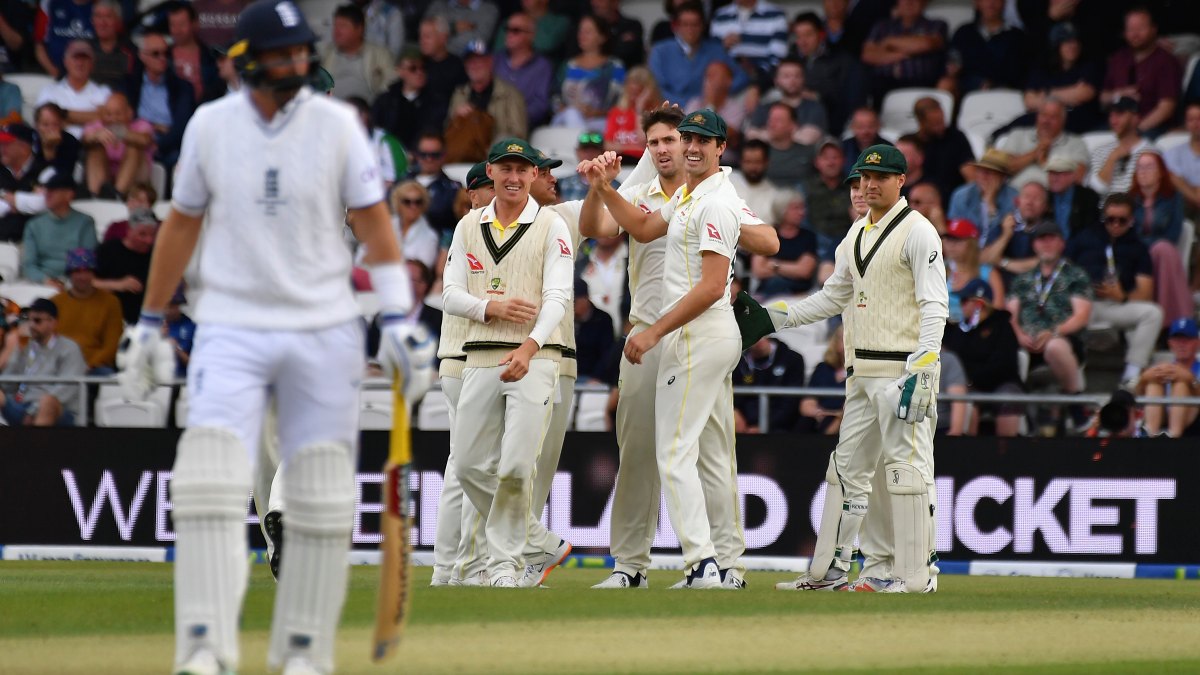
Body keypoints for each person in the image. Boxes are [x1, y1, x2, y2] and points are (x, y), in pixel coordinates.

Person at [116, 3, 430, 672]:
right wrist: (147, 320)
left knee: (316, 488)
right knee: (210, 480)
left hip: (321, 323)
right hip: (231, 321)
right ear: (247, 61)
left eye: (299, 53)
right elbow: (178, 227)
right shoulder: (210, 126)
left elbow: (376, 223)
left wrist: (399, 316)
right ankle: (203, 647)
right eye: (281, 54)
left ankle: (306, 650)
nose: (294, 64)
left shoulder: (339, 127)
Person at [580, 106, 778, 590]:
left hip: (688, 331)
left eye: (687, 140)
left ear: (716, 148)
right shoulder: (675, 194)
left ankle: (715, 565)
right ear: (649, 149)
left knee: (697, 452)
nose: (679, 148)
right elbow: (639, 229)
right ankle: (636, 566)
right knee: (647, 452)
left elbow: (763, 245)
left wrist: (728, 225)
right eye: (665, 141)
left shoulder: (716, 197)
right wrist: (603, 187)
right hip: (655, 332)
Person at [768, 143, 947, 593]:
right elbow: (833, 297)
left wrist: (925, 367)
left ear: (901, 180)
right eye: (864, 178)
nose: (869, 185)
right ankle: (834, 569)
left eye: (881, 177)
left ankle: (915, 576)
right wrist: (778, 317)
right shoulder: (855, 234)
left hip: (902, 371)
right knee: (846, 471)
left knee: (906, 472)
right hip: (860, 372)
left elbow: (935, 305)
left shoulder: (919, 232)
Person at [440, 138, 573, 588]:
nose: (514, 177)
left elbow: (558, 296)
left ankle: (505, 565)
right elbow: (449, 294)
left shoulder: (552, 224)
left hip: (535, 358)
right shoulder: (467, 226)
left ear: (534, 175)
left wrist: (530, 348)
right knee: (468, 466)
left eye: (523, 169)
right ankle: (535, 537)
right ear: (490, 173)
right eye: (505, 169)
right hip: (478, 355)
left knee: (516, 467)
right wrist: (489, 309)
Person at [1067, 193, 1163, 389]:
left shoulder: (1138, 248)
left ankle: (1131, 375)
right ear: (1103, 218)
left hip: (1114, 306)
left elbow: (1145, 292)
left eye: (1122, 220)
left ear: (1131, 220)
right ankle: (1072, 377)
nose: (1116, 225)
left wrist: (1122, 296)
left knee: (1153, 313)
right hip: (1080, 304)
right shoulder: (1085, 237)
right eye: (1110, 219)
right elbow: (1062, 268)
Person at [1006, 219, 1093, 429]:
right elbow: (1010, 314)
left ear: (1062, 243)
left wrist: (1053, 332)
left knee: (1055, 347)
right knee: (1004, 348)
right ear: (1034, 245)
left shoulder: (1075, 275)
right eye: (1041, 240)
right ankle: (1018, 414)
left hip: (1064, 338)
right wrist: (1018, 334)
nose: (1046, 244)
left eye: (1051, 239)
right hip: (1026, 340)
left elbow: (1081, 315)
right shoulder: (1023, 279)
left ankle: (1076, 406)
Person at [942, 278, 1024, 436]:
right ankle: (969, 454)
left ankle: (1006, 452)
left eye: (965, 300)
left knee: (1009, 398)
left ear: (979, 303)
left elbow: (1005, 365)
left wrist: (972, 377)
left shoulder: (1002, 327)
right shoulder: (958, 330)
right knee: (966, 403)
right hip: (969, 387)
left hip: (1000, 384)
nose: (961, 304)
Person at [1129, 150, 1193, 326]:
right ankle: (1169, 322)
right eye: (1140, 167)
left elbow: (1174, 234)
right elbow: (1128, 233)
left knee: (1162, 249)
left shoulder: (1173, 198)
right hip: (1137, 253)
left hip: (1164, 250)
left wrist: (1149, 246)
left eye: (1149, 167)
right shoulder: (1130, 199)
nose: (1143, 171)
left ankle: (1167, 322)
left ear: (1160, 172)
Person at [0, 298, 86, 427]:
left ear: (53, 323)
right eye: (28, 320)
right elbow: (8, 385)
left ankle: (35, 446)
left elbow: (67, 388)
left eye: (37, 320)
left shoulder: (69, 348)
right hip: (24, 405)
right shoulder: (28, 345)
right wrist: (15, 352)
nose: (31, 325)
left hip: (60, 410)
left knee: (48, 402)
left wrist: (34, 410)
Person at [1100, 7, 1182, 138]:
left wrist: (1136, 130)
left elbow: (1166, 107)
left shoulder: (1166, 61)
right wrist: (1118, 94)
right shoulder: (1118, 58)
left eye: (1140, 29)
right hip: (1117, 126)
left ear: (1154, 29)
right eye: (1130, 30)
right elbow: (1103, 98)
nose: (1135, 34)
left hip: (1152, 128)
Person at [648, 2, 748, 107]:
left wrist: (717, 94)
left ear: (703, 26)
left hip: (708, 111)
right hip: (672, 111)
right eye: (685, 24)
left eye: (695, 25)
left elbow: (741, 77)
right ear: (675, 26)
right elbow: (656, 87)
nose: (690, 30)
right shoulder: (659, 51)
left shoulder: (716, 50)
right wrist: (683, 105)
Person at [125, 31, 197, 172]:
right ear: (142, 56)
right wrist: (155, 126)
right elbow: (123, 116)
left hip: (168, 146)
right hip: (136, 141)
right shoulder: (130, 84)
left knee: (181, 161)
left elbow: (182, 126)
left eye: (166, 53)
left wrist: (158, 144)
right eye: (156, 54)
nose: (162, 58)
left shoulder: (182, 87)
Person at [446, 41, 528, 158]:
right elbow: (448, 132)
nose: (475, 65)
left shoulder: (511, 94)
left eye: (480, 60)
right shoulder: (460, 94)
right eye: (471, 61)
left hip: (498, 159)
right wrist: (457, 117)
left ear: (490, 62)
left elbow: (519, 135)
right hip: (464, 155)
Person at [787, 11, 864, 135]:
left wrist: (818, 96)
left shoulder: (841, 60)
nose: (802, 41)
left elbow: (848, 100)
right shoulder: (791, 57)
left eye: (808, 35)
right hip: (794, 121)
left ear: (821, 34)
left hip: (830, 125)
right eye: (798, 36)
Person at [50, 247, 123, 374]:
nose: (82, 276)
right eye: (77, 271)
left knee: (107, 375)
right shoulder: (55, 302)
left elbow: (112, 345)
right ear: (69, 274)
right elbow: (47, 341)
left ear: (94, 273)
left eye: (87, 271)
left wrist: (88, 366)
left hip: (95, 366)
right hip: (60, 364)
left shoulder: (111, 302)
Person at [1023, 21, 1102, 135]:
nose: (1073, 46)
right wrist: (1068, 95)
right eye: (1067, 42)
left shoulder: (1088, 66)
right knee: (1016, 126)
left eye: (1075, 41)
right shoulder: (1043, 69)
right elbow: (1029, 101)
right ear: (1057, 45)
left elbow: (1084, 93)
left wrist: (1047, 93)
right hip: (1045, 121)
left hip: (1079, 123)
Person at [21, 173, 97, 289]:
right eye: (47, 190)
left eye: (54, 190)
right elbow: (29, 265)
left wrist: (69, 282)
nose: (48, 194)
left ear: (69, 194)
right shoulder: (34, 225)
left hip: (75, 283)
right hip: (41, 283)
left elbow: (86, 260)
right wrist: (45, 280)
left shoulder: (85, 222)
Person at [861, 0, 948, 102]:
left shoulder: (936, 25)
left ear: (923, 3)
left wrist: (888, 42)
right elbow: (867, 55)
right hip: (883, 84)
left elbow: (926, 44)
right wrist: (908, 51)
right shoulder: (882, 26)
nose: (909, 2)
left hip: (921, 83)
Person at [997, 97, 1090, 189]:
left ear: (1063, 120)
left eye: (1053, 117)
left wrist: (1046, 164)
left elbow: (1078, 177)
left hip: (1053, 199)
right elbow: (1002, 169)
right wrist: (1034, 154)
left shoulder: (1076, 143)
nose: (1046, 121)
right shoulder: (1018, 135)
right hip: (1015, 195)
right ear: (1037, 116)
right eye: (1044, 115)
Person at [552, 14, 624, 132]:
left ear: (602, 37)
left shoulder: (615, 66)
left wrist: (597, 113)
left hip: (601, 120)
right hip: (566, 120)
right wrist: (565, 108)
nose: (582, 35)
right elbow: (554, 97)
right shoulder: (568, 66)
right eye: (580, 31)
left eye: (588, 31)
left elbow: (622, 102)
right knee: (572, 114)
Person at [947, 0, 1029, 94]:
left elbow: (1020, 73)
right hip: (968, 92)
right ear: (977, 3)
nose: (991, 3)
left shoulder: (1018, 37)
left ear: (1004, 3)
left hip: (1006, 93)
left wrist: (994, 84)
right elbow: (953, 65)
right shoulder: (963, 33)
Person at [81, 91, 153, 197]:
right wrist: (95, 136)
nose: (113, 118)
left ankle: (117, 195)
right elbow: (85, 140)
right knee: (95, 148)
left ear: (130, 113)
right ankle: (95, 197)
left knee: (134, 146)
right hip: (105, 181)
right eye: (109, 114)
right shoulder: (96, 126)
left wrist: (120, 132)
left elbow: (145, 140)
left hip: (135, 185)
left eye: (118, 114)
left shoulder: (141, 125)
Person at [1137, 317, 1200, 437]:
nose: (1182, 344)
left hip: (1193, 421)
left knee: (1181, 385)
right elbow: (1135, 397)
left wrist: (1190, 379)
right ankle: (1151, 434)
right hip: (1162, 415)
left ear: (1197, 342)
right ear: (1170, 343)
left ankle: (1173, 436)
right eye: (1177, 339)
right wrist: (1144, 378)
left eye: (1187, 339)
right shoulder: (1163, 369)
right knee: (1153, 383)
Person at [35, 40, 111, 138]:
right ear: (65, 62)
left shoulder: (103, 91)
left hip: (91, 146)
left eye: (85, 59)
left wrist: (63, 114)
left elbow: (107, 119)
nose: (80, 63)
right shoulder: (49, 91)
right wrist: (90, 117)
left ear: (92, 64)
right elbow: (42, 122)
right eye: (75, 58)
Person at [320, 3, 395, 102]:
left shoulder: (380, 54)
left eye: (343, 26)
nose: (336, 31)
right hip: (330, 111)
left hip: (366, 113)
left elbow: (390, 87)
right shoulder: (327, 53)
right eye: (335, 26)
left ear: (359, 29)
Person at [981, 181, 1056, 279]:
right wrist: (1006, 235)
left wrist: (1003, 263)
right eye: (1026, 196)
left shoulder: (1050, 229)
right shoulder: (1004, 224)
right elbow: (985, 260)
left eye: (1037, 198)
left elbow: (1045, 262)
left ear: (1046, 206)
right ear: (1017, 201)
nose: (1030, 202)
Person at [94, 206, 156, 323]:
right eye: (142, 234)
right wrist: (118, 285)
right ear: (129, 231)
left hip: (147, 319)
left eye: (152, 235)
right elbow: (87, 282)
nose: (148, 240)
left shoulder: (157, 254)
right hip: (111, 317)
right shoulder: (109, 250)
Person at [750, 194, 817, 298]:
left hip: (798, 294)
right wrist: (792, 270)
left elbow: (804, 271)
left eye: (802, 207)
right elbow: (758, 270)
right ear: (782, 210)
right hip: (767, 293)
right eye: (796, 208)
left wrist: (774, 265)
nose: (802, 212)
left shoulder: (808, 236)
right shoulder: (766, 234)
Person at [733, 336, 805, 433]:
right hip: (744, 428)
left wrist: (763, 427)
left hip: (781, 428)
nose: (757, 339)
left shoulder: (792, 359)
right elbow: (732, 395)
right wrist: (735, 412)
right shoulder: (738, 362)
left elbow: (791, 402)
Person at [493, 12, 553, 128]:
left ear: (531, 35)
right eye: (507, 29)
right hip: (491, 123)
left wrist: (514, 117)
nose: (509, 34)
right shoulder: (495, 60)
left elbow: (540, 104)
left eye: (515, 30)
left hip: (522, 126)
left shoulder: (542, 66)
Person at [708, 0, 788, 85]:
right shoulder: (720, 15)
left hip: (763, 81)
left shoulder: (776, 14)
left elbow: (778, 57)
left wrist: (756, 73)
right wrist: (723, 45)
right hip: (726, 81)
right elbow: (712, 56)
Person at [948, 148, 1017, 244]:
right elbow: (954, 232)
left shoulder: (1013, 198)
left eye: (990, 172)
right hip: (966, 249)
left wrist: (990, 203)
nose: (984, 176)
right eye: (980, 170)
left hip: (999, 253)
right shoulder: (961, 195)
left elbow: (998, 237)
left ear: (1002, 177)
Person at [1087, 96, 1153, 196]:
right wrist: (1112, 158)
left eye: (1119, 114)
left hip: (1134, 209)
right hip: (1103, 209)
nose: (1113, 121)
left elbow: (1149, 193)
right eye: (1111, 115)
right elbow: (1094, 192)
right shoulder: (1099, 151)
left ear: (1136, 118)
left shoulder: (1151, 153)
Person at [943, 217, 1004, 324]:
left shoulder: (989, 273)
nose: (951, 245)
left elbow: (998, 312)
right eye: (948, 239)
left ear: (972, 244)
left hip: (977, 332)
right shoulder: (938, 269)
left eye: (957, 240)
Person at [913, 96, 974, 201]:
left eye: (941, 121)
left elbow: (970, 173)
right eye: (935, 124)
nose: (940, 127)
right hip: (920, 198)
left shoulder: (956, 138)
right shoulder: (913, 144)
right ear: (921, 122)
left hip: (952, 197)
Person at [0, 123, 51, 243]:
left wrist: (6, 197)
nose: (1, 149)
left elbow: (44, 203)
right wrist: (25, 203)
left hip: (35, 243)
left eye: (6, 144)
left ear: (24, 147)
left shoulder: (45, 170)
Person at [406, 132, 463, 235]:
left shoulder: (453, 189)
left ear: (444, 155)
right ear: (416, 155)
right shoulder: (401, 183)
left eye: (435, 155)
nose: (429, 159)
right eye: (424, 154)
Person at [166, 1, 224, 103]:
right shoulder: (163, 56)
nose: (177, 30)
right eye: (172, 25)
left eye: (181, 24)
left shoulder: (209, 57)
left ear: (194, 24)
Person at [604, 66, 659, 161]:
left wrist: (639, 109)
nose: (634, 97)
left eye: (638, 93)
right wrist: (634, 148)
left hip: (643, 162)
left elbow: (643, 141)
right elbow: (608, 145)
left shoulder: (657, 114)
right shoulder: (617, 112)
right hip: (618, 161)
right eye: (631, 91)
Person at [798, 323, 845, 435]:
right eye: (844, 339)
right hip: (819, 418)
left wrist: (839, 416)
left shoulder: (861, 373)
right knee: (804, 424)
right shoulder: (823, 368)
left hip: (845, 423)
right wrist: (821, 413)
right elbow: (806, 404)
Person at [1046, 152, 1101, 241]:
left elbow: (1091, 230)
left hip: (1079, 247)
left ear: (1072, 175)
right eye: (1051, 173)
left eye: (1059, 173)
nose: (1054, 178)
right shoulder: (1044, 197)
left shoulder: (1088, 197)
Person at [573, 277, 615, 382]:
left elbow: (607, 354)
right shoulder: (565, 319)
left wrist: (597, 377)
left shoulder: (603, 320)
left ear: (585, 298)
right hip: (568, 375)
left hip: (593, 378)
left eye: (574, 301)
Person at [424, 0, 500, 57]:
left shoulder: (488, 10)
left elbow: (477, 44)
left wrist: (438, 41)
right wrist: (452, 27)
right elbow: (424, 33)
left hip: (466, 63)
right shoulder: (439, 4)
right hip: (431, 60)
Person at [89, 0, 135, 91]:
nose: (102, 23)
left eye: (108, 16)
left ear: (118, 21)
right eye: (98, 16)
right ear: (92, 20)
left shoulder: (131, 52)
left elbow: (133, 88)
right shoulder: (84, 49)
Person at [34, 103, 83, 181]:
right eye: (45, 125)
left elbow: (64, 174)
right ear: (37, 125)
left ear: (62, 124)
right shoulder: (31, 140)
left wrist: (50, 149)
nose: (51, 129)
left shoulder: (70, 142)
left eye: (55, 125)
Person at [556, 132, 609, 203]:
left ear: (603, 153)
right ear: (577, 152)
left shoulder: (615, 185)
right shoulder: (560, 183)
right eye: (585, 150)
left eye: (594, 150)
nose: (590, 154)